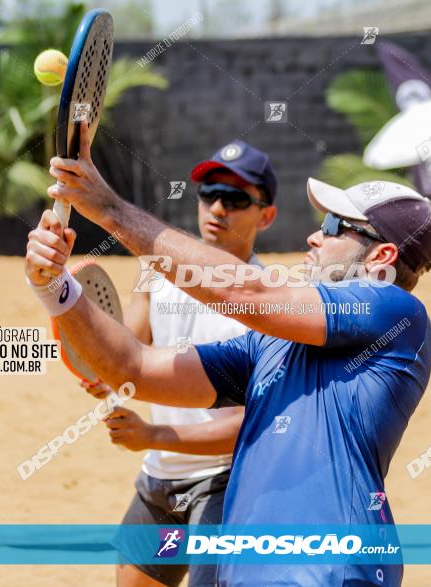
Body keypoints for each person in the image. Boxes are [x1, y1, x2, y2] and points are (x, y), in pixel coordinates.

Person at [25, 122, 431, 585]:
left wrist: (109, 209)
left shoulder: (395, 311)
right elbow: (134, 368)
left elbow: (252, 292)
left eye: (332, 227)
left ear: (381, 258)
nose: (313, 237)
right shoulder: (273, 341)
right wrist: (54, 289)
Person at [79, 140, 277, 587]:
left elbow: (250, 424)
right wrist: (102, 369)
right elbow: (126, 349)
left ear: (266, 215)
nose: (218, 207)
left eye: (237, 198)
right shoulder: (157, 270)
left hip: (227, 485)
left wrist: (154, 434)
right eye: (209, 193)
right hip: (160, 479)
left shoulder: (269, 303)